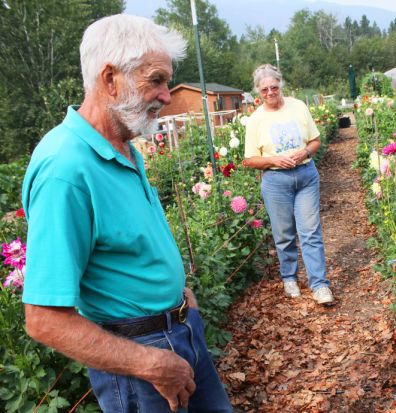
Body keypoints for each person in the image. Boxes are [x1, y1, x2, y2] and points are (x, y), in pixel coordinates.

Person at [21, 15, 232, 413]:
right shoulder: (64, 168)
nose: (167, 95)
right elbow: (44, 319)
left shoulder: (122, 145)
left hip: (179, 332)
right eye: (156, 80)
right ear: (109, 79)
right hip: (140, 362)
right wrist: (149, 362)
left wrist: (181, 304)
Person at [243, 64, 334, 305]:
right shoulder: (255, 120)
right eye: (264, 90)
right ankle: (289, 277)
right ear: (258, 92)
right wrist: (273, 159)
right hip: (275, 181)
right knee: (283, 234)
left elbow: (316, 140)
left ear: (281, 85)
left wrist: (304, 153)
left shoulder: (298, 107)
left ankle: (320, 285)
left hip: (305, 175)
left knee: (311, 232)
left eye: (274, 87)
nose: (270, 92)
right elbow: (249, 159)